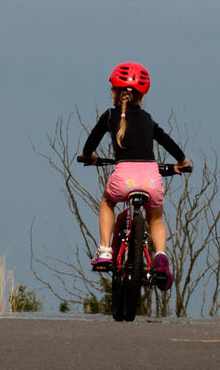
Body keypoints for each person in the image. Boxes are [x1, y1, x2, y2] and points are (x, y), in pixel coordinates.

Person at [77, 61, 190, 291]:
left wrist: (88, 156)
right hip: (151, 178)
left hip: (123, 178)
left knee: (108, 202)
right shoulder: (148, 119)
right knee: (156, 218)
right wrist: (182, 163)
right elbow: (167, 141)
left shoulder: (109, 115)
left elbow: (90, 145)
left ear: (115, 93)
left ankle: (105, 249)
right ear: (141, 97)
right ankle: (160, 255)